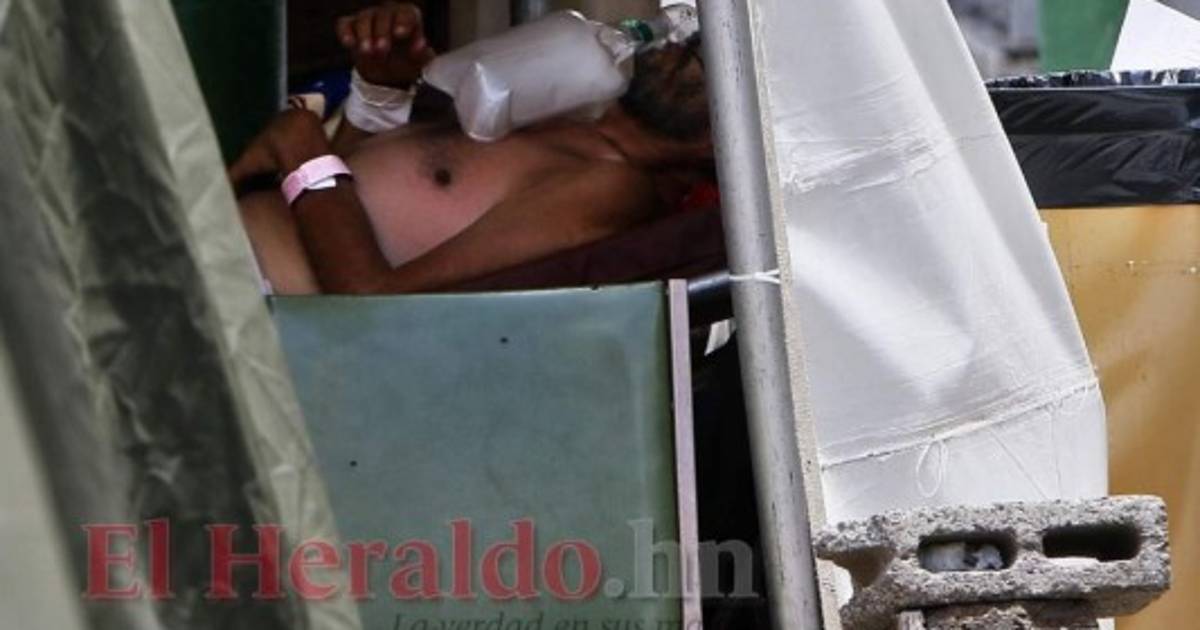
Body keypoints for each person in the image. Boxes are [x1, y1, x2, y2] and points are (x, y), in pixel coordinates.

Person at [232, 1, 712, 295]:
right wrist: (381, 97)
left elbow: (374, 300)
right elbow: (371, 195)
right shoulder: (564, 122)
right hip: (219, 245)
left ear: (716, 147)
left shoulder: (610, 188)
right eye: (698, 40)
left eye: (709, 64)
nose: (687, 43)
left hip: (245, 294)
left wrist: (305, 159)